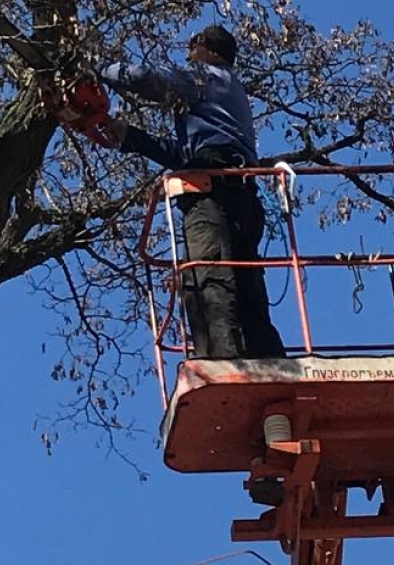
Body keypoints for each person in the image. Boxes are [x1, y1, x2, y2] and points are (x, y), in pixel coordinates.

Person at [98, 25, 285, 359]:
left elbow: (148, 79)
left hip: (212, 197)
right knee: (246, 289)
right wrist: (131, 136)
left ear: (208, 48)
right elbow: (185, 155)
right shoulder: (226, 95)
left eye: (192, 51)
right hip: (239, 194)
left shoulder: (206, 77)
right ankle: (269, 364)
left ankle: (221, 365)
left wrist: (97, 69)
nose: (188, 58)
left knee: (209, 280)